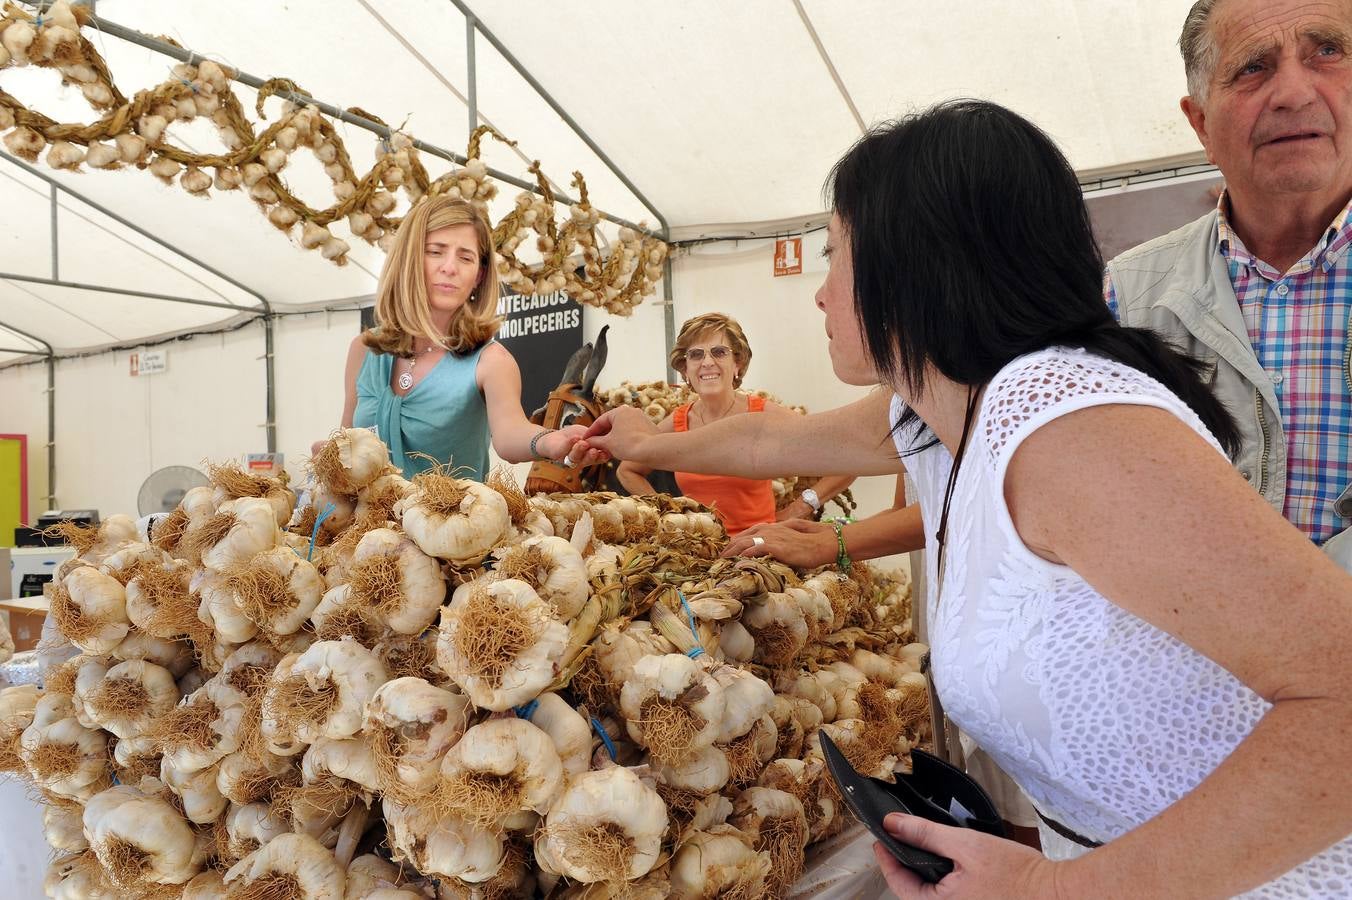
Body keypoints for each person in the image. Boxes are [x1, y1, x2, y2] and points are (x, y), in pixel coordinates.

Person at [579, 100, 1352, 897]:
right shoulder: (949, 402)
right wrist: (643, 444)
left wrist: (1052, 891)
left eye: (835, 255)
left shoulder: (1074, 427)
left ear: (912, 262)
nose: (820, 294)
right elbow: (765, 441)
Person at [1107, 0, 1352, 571]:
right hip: (1191, 650)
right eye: (1252, 67)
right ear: (1201, 125)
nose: (1293, 92)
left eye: (1328, 51)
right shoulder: (1129, 291)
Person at [319, 196, 583, 481]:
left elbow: (510, 434)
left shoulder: (492, 361)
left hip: (451, 522)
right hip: (364, 525)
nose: (450, 267)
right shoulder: (364, 349)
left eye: (465, 257)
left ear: (479, 275)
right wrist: (329, 458)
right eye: (435, 251)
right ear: (408, 259)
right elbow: (346, 446)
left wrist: (549, 441)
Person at [615, 312, 853, 535]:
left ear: (737, 364)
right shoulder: (679, 422)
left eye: (719, 352)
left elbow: (846, 455)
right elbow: (628, 470)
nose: (707, 362)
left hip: (760, 553)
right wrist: (667, 510)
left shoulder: (762, 414)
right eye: (696, 354)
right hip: (699, 552)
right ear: (685, 369)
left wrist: (801, 507)